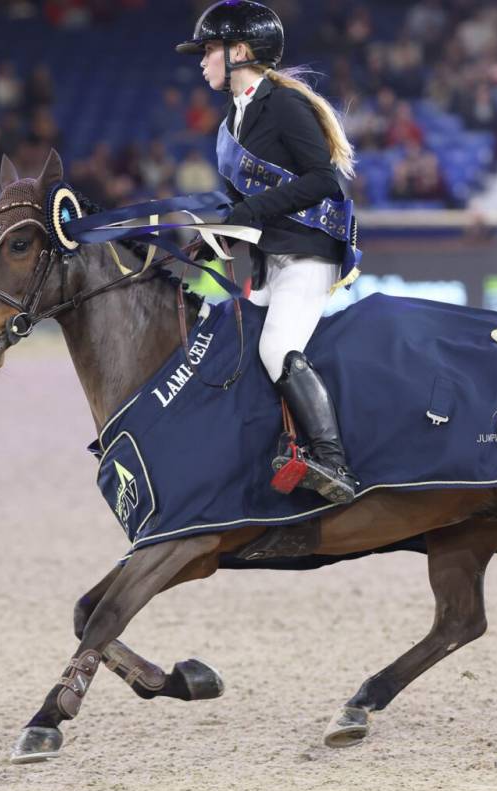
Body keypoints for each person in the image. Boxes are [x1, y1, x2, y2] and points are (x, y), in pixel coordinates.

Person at [176, 0, 360, 504]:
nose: (202, 61)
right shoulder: (229, 126)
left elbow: (323, 178)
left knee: (276, 348)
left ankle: (332, 460)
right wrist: (218, 238)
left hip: (306, 254)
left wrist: (250, 214)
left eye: (209, 50)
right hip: (269, 260)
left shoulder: (282, 104)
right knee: (233, 341)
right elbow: (245, 207)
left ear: (239, 52)